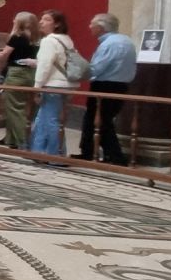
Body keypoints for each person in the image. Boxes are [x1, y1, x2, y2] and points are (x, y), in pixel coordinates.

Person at [77, 13, 136, 166]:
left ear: (101, 27)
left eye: (92, 24)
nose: (89, 27)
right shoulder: (126, 41)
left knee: (97, 121)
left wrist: (78, 71)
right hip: (121, 85)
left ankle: (112, 156)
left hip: (105, 86)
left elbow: (97, 68)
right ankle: (107, 154)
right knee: (103, 121)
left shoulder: (109, 44)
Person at [27, 9, 78, 155]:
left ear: (57, 24)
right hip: (66, 85)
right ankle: (39, 152)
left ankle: (56, 155)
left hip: (53, 86)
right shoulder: (66, 39)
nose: (41, 22)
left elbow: (45, 66)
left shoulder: (48, 41)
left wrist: (36, 87)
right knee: (43, 119)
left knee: (51, 121)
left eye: (47, 19)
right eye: (41, 19)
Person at [0, 12, 40, 148]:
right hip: (31, 73)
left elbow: (4, 54)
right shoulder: (37, 38)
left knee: (14, 107)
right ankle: (10, 138)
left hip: (16, 73)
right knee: (18, 106)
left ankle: (22, 140)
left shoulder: (17, 37)